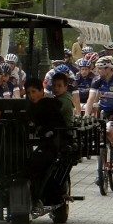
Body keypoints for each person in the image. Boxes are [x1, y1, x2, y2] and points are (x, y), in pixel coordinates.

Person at [24, 77, 71, 205]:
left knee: (37, 167)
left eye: (34, 92)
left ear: (41, 91)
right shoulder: (40, 105)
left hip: (54, 145)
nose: (31, 96)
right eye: (28, 93)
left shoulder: (47, 106)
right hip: (47, 144)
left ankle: (45, 196)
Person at [83, 56, 113, 150]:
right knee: (97, 131)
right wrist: (86, 115)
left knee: (109, 130)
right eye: (97, 68)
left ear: (109, 69)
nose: (97, 70)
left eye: (100, 68)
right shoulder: (96, 80)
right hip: (102, 110)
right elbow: (91, 99)